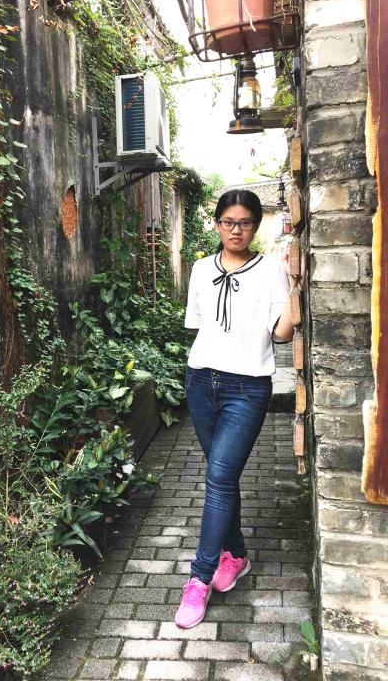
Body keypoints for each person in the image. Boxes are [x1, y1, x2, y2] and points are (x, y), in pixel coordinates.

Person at [175, 189, 299, 629]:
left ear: (255, 226)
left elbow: (281, 334)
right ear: (216, 224)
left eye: (245, 222)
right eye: (228, 221)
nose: (236, 229)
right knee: (221, 479)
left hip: (247, 389)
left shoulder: (270, 270)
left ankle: (199, 577)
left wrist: (296, 293)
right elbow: (199, 326)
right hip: (200, 382)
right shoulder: (200, 269)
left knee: (219, 478)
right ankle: (238, 555)